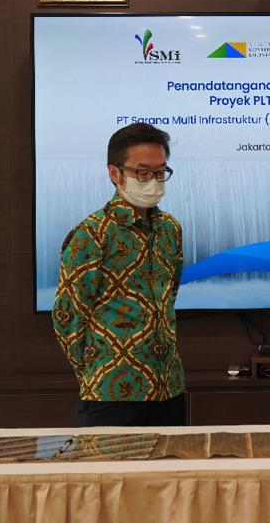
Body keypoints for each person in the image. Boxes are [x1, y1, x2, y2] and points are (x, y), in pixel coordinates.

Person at [52, 122, 185, 427]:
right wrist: (98, 367)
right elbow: (67, 315)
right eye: (142, 172)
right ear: (115, 174)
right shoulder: (92, 234)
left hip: (169, 386)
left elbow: (169, 295)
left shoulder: (169, 229)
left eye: (160, 172)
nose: (153, 181)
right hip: (110, 392)